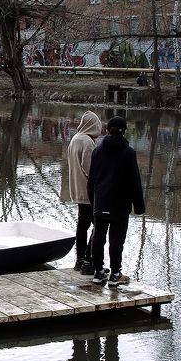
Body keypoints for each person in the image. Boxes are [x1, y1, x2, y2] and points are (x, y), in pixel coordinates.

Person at [87, 116, 145, 287]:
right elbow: (135, 182)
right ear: (124, 131)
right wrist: (139, 207)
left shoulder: (97, 151)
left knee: (98, 237)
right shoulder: (129, 153)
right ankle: (115, 274)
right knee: (116, 240)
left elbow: (91, 182)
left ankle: (98, 272)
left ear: (107, 129)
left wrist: (93, 204)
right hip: (120, 205)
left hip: (101, 202)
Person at [66, 110, 103, 274]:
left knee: (82, 226)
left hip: (76, 189)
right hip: (88, 192)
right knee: (99, 225)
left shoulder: (75, 138)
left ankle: (79, 260)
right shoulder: (87, 142)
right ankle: (88, 259)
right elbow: (90, 169)